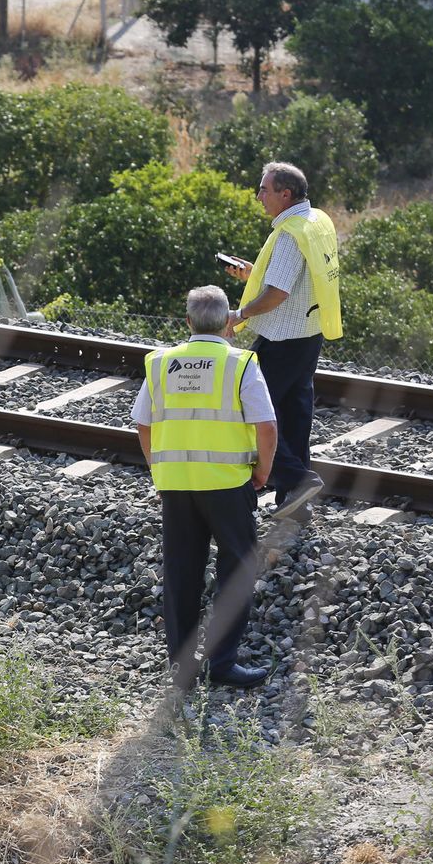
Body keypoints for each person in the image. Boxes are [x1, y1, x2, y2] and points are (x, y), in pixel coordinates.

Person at [133, 286, 278, 690]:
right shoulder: (241, 363)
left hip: (176, 483)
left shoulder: (162, 363)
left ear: (188, 323)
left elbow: (143, 424)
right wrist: (262, 472)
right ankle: (223, 663)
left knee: (182, 571)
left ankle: (182, 669)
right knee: (239, 566)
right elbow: (266, 425)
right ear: (229, 322)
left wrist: (159, 470)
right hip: (227, 483)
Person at [224, 162, 343, 522]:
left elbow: (277, 292)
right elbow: (297, 276)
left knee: (250, 410)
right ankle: (294, 504)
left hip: (282, 339)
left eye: (264, 189)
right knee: (294, 415)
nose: (259, 196)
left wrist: (239, 314)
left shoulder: (290, 234)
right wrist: (251, 273)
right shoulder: (317, 221)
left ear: (285, 194)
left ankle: (297, 479)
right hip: (309, 334)